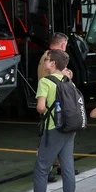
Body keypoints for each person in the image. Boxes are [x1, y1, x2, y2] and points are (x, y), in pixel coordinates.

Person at [16, 49, 77, 192]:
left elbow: (41, 107)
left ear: (53, 64)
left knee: (42, 169)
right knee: (67, 168)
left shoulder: (45, 82)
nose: (44, 62)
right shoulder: (69, 82)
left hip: (53, 130)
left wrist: (42, 103)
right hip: (69, 129)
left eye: (47, 60)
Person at [38, 32, 72, 183]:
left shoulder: (47, 56)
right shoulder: (53, 58)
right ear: (63, 44)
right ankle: (48, 170)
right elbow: (66, 77)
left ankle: (56, 166)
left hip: (49, 101)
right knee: (48, 139)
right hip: (51, 104)